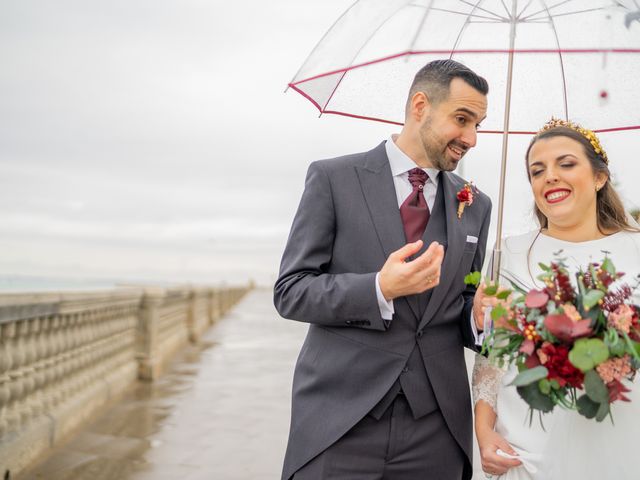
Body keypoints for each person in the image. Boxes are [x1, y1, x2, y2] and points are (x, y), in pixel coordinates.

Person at [274, 59, 491, 480]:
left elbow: (463, 302)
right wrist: (378, 288)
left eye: (478, 124)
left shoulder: (476, 205)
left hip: (438, 431)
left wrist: (480, 317)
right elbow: (291, 291)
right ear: (420, 105)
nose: (471, 138)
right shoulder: (333, 178)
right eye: (462, 120)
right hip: (339, 423)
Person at [472, 118, 640, 479]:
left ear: (599, 177)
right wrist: (484, 432)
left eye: (566, 164)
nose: (549, 176)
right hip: (530, 450)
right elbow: (493, 357)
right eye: (537, 170)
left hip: (624, 439)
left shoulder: (636, 247)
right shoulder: (509, 252)